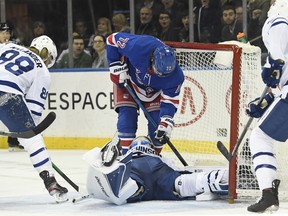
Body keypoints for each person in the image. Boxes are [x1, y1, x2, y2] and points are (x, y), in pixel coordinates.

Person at [0, 35, 68, 202]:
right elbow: (33, 117)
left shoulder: (9, 46)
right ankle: (51, 182)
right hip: (7, 94)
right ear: (49, 58)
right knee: (33, 138)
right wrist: (24, 137)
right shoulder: (42, 71)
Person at [84, 136, 229, 205]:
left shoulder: (127, 155)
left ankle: (131, 188)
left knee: (130, 184)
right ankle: (221, 179)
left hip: (134, 169)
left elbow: (113, 163)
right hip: (159, 171)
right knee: (182, 183)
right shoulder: (159, 156)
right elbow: (175, 169)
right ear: (150, 147)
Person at [106, 32, 184, 155]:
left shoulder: (176, 76)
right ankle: (126, 156)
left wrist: (166, 121)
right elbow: (112, 39)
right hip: (127, 81)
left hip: (153, 91)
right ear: (152, 59)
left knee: (157, 128)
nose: (161, 76)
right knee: (127, 120)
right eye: (158, 71)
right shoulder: (138, 46)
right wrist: (114, 65)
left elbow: (170, 100)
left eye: (164, 75)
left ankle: (155, 157)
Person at [245, 0, 288, 212]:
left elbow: (280, 24)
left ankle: (268, 193)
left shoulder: (279, 15)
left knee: (260, 137)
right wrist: (266, 101)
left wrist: (276, 63)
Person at [0, 22, 25, 151]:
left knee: (13, 111)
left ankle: (14, 140)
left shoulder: (14, 47)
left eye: (8, 33)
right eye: (3, 33)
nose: (6, 35)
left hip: (10, 85)